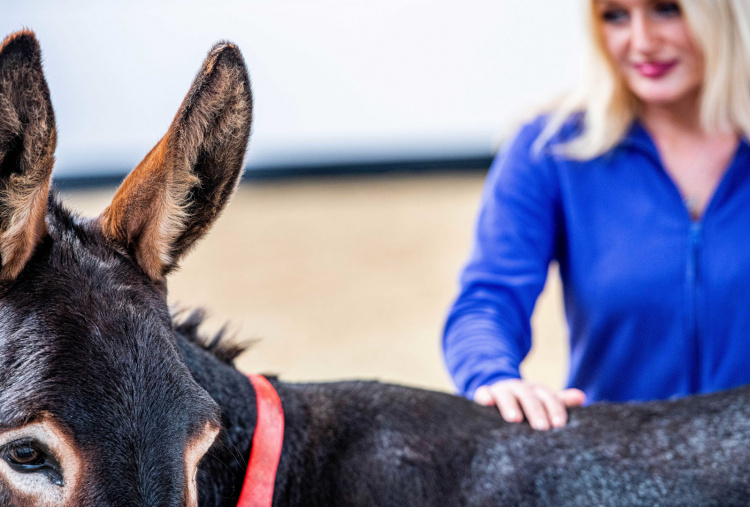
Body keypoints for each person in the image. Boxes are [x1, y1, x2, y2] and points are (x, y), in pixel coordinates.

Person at [443, 0, 750, 431]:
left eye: (666, 10)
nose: (642, 42)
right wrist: (492, 375)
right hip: (618, 468)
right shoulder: (548, 150)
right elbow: (489, 298)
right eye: (615, 15)